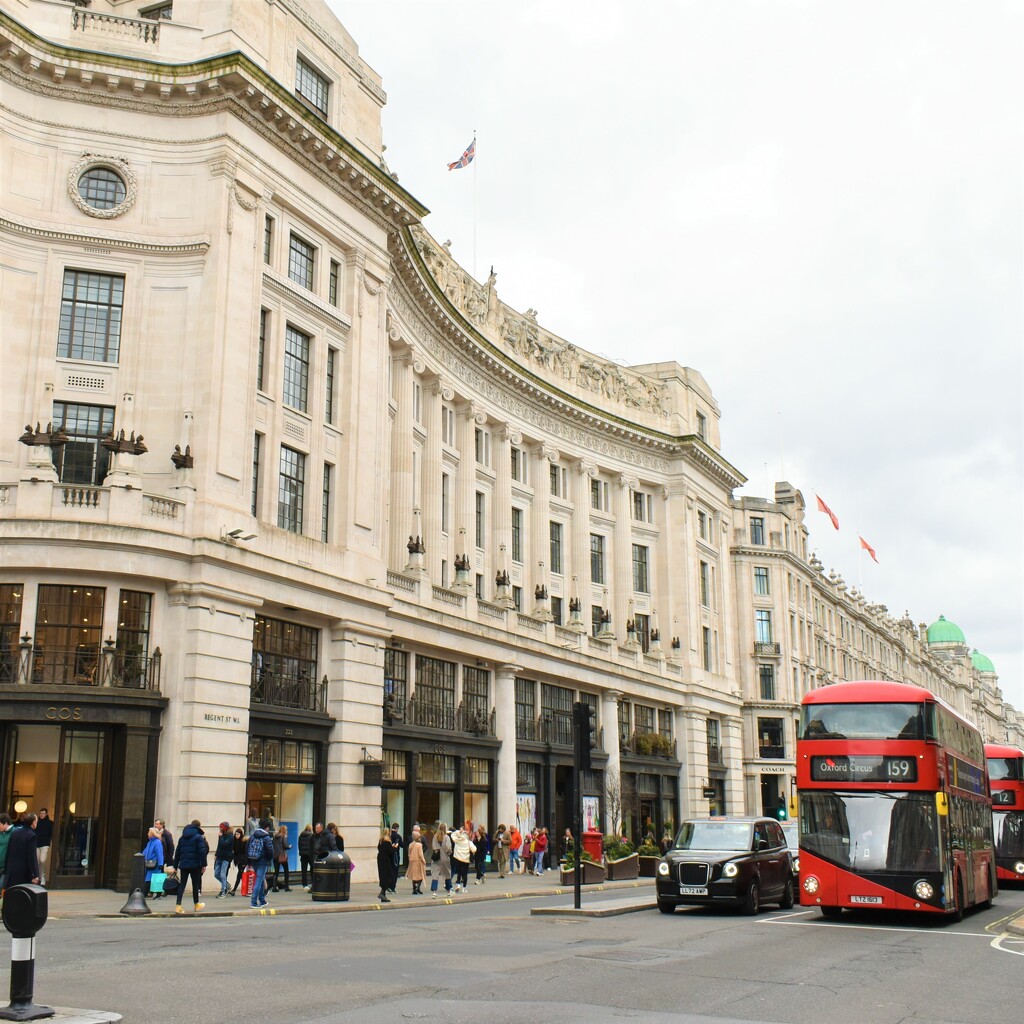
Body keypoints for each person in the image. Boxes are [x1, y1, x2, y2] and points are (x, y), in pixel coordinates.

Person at [171, 818, 209, 914]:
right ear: (198, 827)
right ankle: (196, 904)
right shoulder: (198, 837)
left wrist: (175, 866)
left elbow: (178, 852)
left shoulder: (182, 837)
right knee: (195, 885)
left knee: (182, 885)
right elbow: (202, 852)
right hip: (195, 865)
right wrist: (204, 864)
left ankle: (178, 905)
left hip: (183, 864)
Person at [4, 813, 40, 887]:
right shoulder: (31, 835)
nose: (36, 823)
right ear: (33, 822)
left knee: (11, 893)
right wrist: (35, 874)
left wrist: (6, 868)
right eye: (36, 821)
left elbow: (9, 851)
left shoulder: (14, 832)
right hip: (24, 871)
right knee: (22, 895)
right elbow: (31, 856)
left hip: (12, 870)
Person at [247, 817, 275, 910]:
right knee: (258, 881)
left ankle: (262, 900)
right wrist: (269, 859)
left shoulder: (253, 835)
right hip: (263, 861)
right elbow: (270, 850)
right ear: (267, 828)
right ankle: (254, 902)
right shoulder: (266, 837)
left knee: (261, 879)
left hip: (254, 859)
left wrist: (249, 861)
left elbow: (247, 847)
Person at [429, 823, 453, 898]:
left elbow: (433, 846)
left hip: (436, 857)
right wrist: (449, 853)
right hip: (444, 857)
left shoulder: (435, 836)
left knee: (435, 874)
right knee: (447, 874)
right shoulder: (446, 837)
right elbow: (448, 848)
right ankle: (449, 891)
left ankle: (434, 892)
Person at [450, 825, 475, 893]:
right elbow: (474, 849)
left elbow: (452, 835)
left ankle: (458, 885)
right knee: (465, 873)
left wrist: (457, 831)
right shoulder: (469, 842)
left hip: (458, 858)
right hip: (466, 859)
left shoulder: (457, 841)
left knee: (459, 872)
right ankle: (464, 888)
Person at [143, 826, 166, 898]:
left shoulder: (157, 842)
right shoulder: (150, 842)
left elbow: (160, 854)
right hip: (150, 863)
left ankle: (145, 893)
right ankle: (158, 893)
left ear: (152, 834)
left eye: (149, 833)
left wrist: (160, 864)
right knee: (154, 879)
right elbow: (145, 852)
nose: (148, 834)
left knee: (152, 879)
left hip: (154, 864)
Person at [213, 821, 234, 898]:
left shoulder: (230, 836)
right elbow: (219, 845)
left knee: (222, 874)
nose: (220, 829)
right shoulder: (222, 835)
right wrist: (216, 854)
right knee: (216, 874)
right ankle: (227, 885)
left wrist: (221, 837)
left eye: (221, 827)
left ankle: (223, 890)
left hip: (226, 857)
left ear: (224, 828)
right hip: (219, 857)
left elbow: (224, 844)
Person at [405, 825, 426, 894]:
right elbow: (420, 854)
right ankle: (418, 888)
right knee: (421, 876)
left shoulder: (410, 844)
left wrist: (410, 859)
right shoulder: (419, 845)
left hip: (412, 861)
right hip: (418, 861)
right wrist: (423, 860)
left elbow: (408, 853)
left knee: (414, 876)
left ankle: (414, 889)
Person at [35, 808, 53, 886]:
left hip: (45, 844)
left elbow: (52, 833)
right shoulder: (36, 822)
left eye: (43, 813)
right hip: (36, 844)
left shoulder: (50, 823)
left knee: (42, 860)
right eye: (40, 813)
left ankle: (42, 877)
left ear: (46, 814)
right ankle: (38, 876)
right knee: (37, 861)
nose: (41, 815)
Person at [272, 825, 291, 892]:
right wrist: (289, 846)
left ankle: (274, 887)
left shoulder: (275, 837)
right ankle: (286, 887)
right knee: (286, 871)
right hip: (282, 855)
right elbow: (285, 846)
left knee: (276, 872)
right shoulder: (283, 836)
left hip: (275, 855)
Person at [375, 829, 393, 903]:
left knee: (382, 876)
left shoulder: (381, 841)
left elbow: (379, 849)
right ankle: (382, 892)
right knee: (389, 876)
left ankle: (383, 895)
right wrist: (394, 847)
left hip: (380, 860)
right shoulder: (387, 842)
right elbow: (390, 852)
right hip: (386, 861)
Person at [228, 828, 247, 895]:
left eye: (238, 834)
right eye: (235, 834)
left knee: (239, 874)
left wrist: (245, 862)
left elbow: (245, 852)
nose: (236, 835)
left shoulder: (244, 841)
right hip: (238, 860)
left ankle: (234, 890)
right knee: (241, 875)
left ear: (241, 834)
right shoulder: (234, 841)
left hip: (242, 860)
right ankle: (246, 888)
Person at [297, 824, 314, 890]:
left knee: (304, 870)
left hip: (303, 854)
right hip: (309, 854)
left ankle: (304, 884)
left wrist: (301, 852)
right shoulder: (311, 836)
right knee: (312, 868)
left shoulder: (301, 836)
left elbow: (299, 845)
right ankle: (313, 882)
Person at [388, 822, 403, 893]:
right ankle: (392, 887)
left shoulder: (388, 836)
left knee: (389, 870)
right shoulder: (398, 836)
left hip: (388, 855)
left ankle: (388, 885)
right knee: (395, 871)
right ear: (397, 828)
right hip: (395, 855)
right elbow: (402, 845)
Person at [0, 813, 14, 890]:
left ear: (5, 823)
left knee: (2, 886)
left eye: (0, 824)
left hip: (6, 866)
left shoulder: (15, 832)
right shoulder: (1, 832)